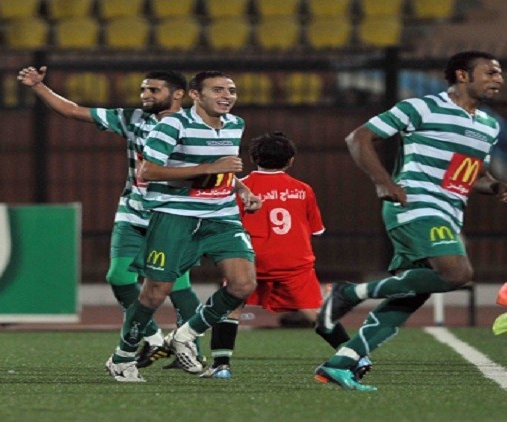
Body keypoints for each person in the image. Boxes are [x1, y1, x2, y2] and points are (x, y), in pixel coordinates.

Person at [314, 51, 506, 391]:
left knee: (411, 294)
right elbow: (358, 138)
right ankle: (352, 291)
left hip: (448, 212)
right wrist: (383, 181)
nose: (498, 79)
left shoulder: (488, 125)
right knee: (457, 273)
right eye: (490, 72)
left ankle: (340, 363)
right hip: (416, 204)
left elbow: (472, 174)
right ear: (462, 75)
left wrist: (496, 186)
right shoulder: (422, 107)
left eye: (500, 74)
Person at [17, 66, 203, 368]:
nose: (145, 95)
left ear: (178, 94)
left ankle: (189, 346)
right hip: (133, 209)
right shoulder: (134, 119)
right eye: (143, 89)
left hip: (174, 212)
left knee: (177, 285)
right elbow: (73, 111)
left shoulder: (195, 125)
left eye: (153, 90)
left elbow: (218, 164)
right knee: (118, 277)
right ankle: (154, 338)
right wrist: (38, 86)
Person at [104, 70, 261, 382]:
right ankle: (123, 356)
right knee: (153, 294)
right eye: (217, 90)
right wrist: (210, 168)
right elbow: (148, 171)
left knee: (243, 284)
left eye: (231, 90)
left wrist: (242, 190)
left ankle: (185, 334)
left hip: (221, 216)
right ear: (195, 95)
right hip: (175, 216)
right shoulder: (172, 124)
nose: (227, 96)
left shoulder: (235, 124)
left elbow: (224, 171)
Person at [199, 131, 369, 380]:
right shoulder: (303, 189)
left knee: (231, 308)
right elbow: (316, 229)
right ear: (291, 160)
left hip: (250, 259)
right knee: (314, 312)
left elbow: (227, 224)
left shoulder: (242, 188)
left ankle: (221, 366)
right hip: (293, 262)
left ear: (252, 157)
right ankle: (356, 356)